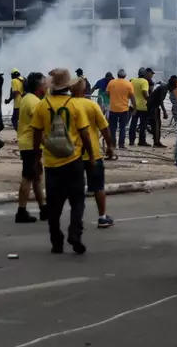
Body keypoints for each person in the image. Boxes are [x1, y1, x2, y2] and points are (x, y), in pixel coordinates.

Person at [30, 68, 92, 254]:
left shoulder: (42, 105)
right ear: (67, 86)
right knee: (77, 202)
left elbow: (36, 134)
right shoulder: (75, 105)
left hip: (52, 163)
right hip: (73, 160)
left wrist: (35, 158)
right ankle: (75, 232)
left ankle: (56, 241)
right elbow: (85, 133)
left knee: (54, 206)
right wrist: (90, 157)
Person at [71, 77, 115, 228]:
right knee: (98, 187)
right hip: (93, 153)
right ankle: (102, 217)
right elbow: (104, 128)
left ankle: (76, 218)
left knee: (76, 188)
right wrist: (110, 146)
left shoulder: (66, 105)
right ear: (85, 91)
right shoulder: (92, 105)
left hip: (73, 154)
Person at [14, 72, 47, 224]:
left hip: (29, 144)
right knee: (28, 177)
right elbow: (38, 127)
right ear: (39, 87)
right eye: (44, 83)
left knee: (36, 177)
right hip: (31, 145)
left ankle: (43, 209)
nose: (47, 85)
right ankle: (21, 211)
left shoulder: (28, 98)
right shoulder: (34, 102)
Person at [105, 71, 134, 151]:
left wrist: (113, 96)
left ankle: (113, 144)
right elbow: (132, 96)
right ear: (125, 76)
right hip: (124, 109)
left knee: (112, 128)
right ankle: (121, 144)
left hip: (113, 109)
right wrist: (134, 106)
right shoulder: (128, 84)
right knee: (122, 127)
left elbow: (107, 93)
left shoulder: (111, 82)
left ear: (117, 75)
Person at [129, 67, 151, 147]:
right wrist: (149, 100)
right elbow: (145, 92)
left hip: (134, 106)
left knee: (133, 124)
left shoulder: (133, 81)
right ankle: (141, 141)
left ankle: (131, 141)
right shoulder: (145, 81)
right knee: (143, 125)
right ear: (144, 74)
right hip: (143, 107)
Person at [147, 75, 170, 147]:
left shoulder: (164, 87)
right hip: (153, 107)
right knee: (157, 125)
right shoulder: (164, 88)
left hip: (152, 107)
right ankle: (156, 143)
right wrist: (165, 112)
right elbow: (160, 100)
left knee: (155, 125)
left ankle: (156, 141)